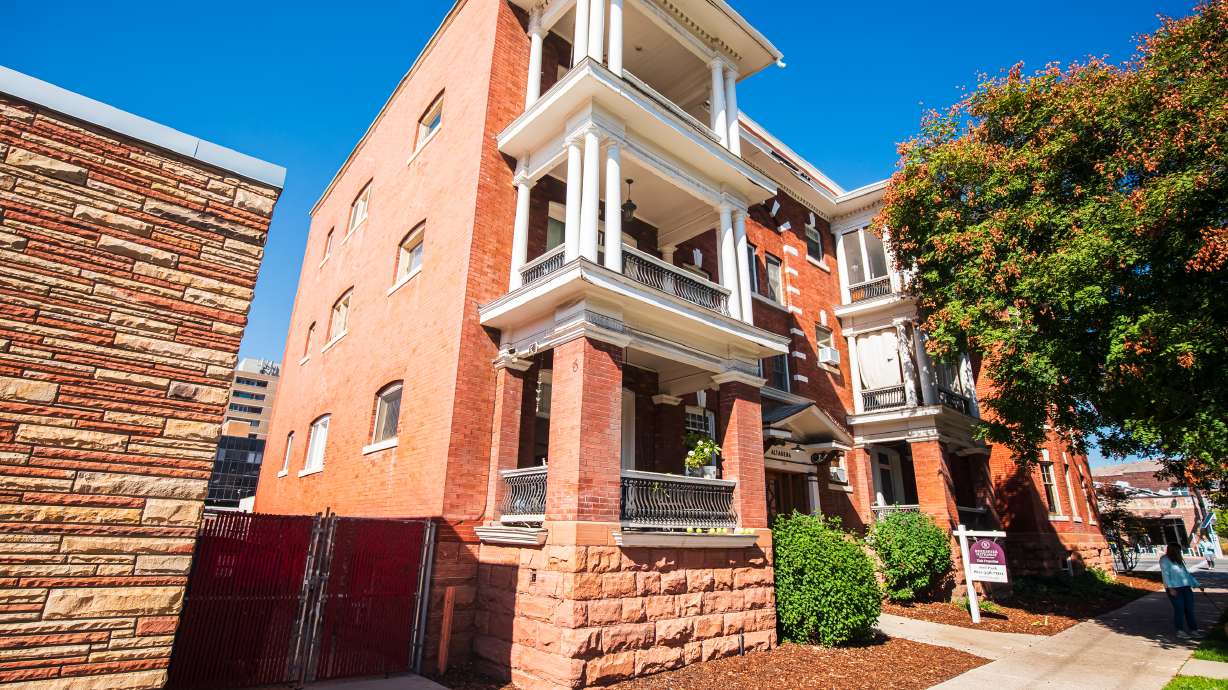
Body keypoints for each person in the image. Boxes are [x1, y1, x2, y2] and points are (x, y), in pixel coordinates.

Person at [1161, 542, 1204, 639]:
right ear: (1173, 550)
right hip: (1174, 589)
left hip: (1185, 587)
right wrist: (1170, 588)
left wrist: (1197, 584)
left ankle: (1194, 630)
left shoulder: (1178, 560)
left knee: (1189, 610)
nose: (1180, 552)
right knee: (1179, 610)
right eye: (1178, 550)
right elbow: (1165, 575)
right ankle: (1180, 631)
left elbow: (1186, 574)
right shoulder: (1164, 560)